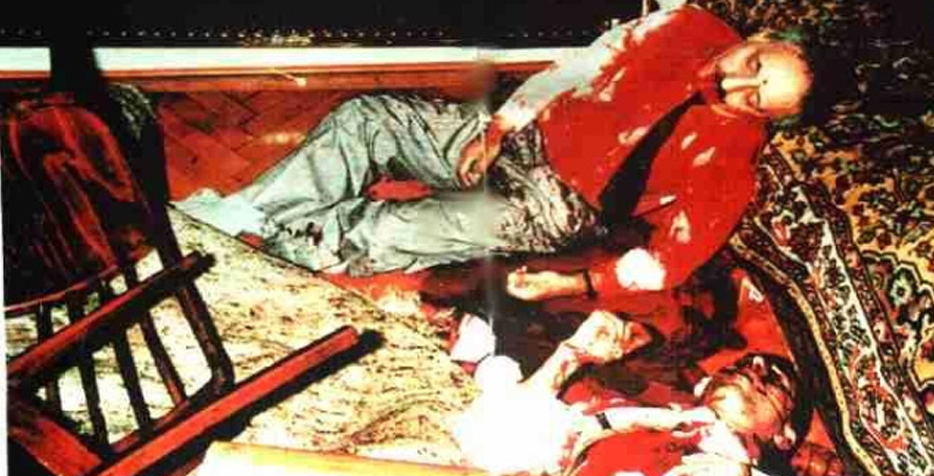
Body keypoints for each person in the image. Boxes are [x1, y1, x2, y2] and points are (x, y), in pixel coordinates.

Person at [178, 5, 814, 283]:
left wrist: (586, 283)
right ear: (757, 38)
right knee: (367, 117)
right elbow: (583, 65)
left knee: (394, 227)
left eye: (756, 99)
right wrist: (500, 126)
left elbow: (670, 259)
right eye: (754, 65)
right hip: (527, 134)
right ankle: (242, 216)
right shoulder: (688, 23)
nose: (735, 84)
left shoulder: (732, 162)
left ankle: (272, 252)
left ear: (765, 120)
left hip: (555, 209)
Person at [453, 310, 811, 476]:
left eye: (777, 381)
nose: (756, 365)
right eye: (742, 364)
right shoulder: (613, 409)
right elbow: (486, 443)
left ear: (785, 437)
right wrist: (572, 355)